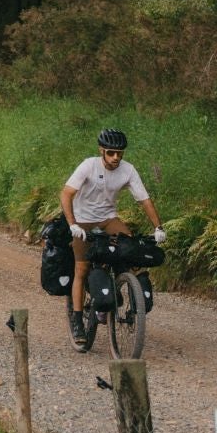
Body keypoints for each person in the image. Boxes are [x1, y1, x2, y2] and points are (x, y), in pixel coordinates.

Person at [61, 128, 164, 350]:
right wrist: (73, 225)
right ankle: (78, 320)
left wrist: (158, 227)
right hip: (83, 219)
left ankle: (120, 285)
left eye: (119, 153)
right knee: (81, 268)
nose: (115, 157)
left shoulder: (127, 170)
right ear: (102, 151)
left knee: (129, 250)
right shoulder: (89, 165)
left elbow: (144, 200)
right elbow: (66, 193)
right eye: (110, 153)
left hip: (108, 219)